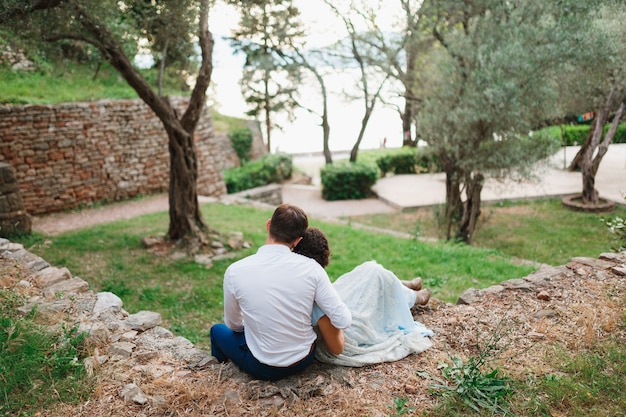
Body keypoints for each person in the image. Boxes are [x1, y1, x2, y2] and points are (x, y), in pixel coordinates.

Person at [210, 204, 352, 380]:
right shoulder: (313, 269)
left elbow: (234, 326)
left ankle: (220, 378)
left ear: (268, 224)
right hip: (303, 358)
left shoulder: (235, 271)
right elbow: (343, 320)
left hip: (262, 366)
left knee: (217, 330)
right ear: (297, 240)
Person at [293, 227, 434, 367]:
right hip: (344, 329)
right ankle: (413, 296)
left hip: (333, 308)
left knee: (367, 270)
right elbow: (336, 345)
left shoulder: (298, 278)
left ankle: (399, 284)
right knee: (374, 272)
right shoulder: (315, 296)